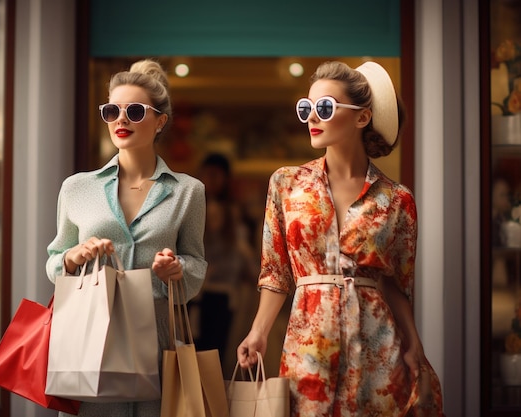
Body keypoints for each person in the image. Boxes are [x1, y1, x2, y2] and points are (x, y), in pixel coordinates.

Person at [236, 61, 445, 416]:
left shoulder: (397, 199)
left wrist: (413, 344)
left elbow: (396, 284)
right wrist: (258, 332)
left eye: (325, 107)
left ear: (362, 118)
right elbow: (276, 273)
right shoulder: (286, 184)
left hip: (377, 345)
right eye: (307, 108)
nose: (312, 118)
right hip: (308, 346)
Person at [46, 59, 207, 417]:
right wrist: (73, 256)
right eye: (111, 111)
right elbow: (54, 260)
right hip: (90, 339)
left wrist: (176, 269)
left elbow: (197, 265)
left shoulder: (188, 192)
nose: (121, 120)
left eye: (134, 111)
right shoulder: (77, 188)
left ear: (160, 121)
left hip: (157, 341)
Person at [195, 153, 258, 376]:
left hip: (222, 293)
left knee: (216, 354)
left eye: (215, 175)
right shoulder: (194, 206)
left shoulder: (233, 211)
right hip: (196, 293)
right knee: (196, 353)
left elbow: (240, 255)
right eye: (206, 175)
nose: (210, 180)